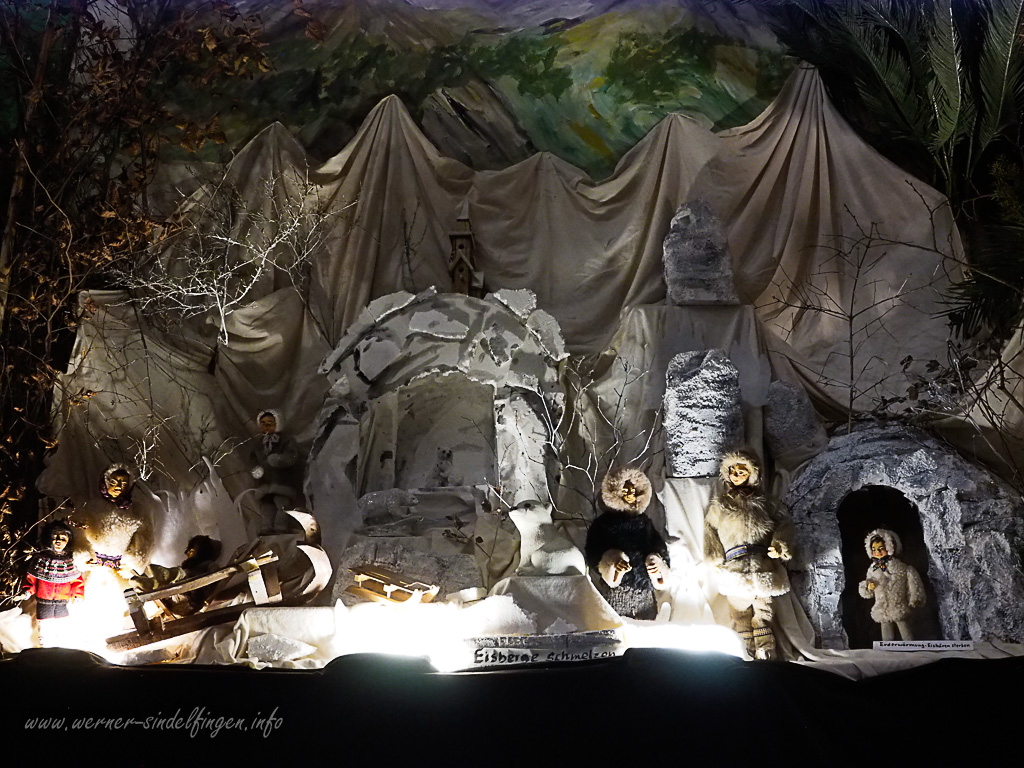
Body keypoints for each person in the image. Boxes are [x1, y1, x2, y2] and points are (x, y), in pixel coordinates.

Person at [704, 450, 792, 659]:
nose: (736, 475)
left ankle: (765, 649)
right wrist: (714, 556)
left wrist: (780, 544)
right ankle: (745, 650)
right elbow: (709, 529)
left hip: (762, 564)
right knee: (740, 612)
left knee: (764, 611)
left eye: (742, 471)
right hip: (735, 566)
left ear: (753, 473)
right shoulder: (721, 505)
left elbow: (785, 522)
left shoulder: (766, 502)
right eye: (732, 471)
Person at [585, 467, 670, 620]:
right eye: (626, 491)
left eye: (633, 490)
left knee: (647, 628)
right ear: (615, 492)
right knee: (614, 625)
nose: (630, 495)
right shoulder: (603, 524)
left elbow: (659, 547)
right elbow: (593, 553)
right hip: (616, 592)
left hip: (645, 593)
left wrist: (656, 563)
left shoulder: (645, 523)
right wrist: (612, 561)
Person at [19, 520, 85, 646]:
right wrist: (27, 591)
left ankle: (61, 643)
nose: (59, 541)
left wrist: (77, 596)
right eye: (55, 537)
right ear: (48, 538)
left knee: (62, 622)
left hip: (62, 601)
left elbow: (77, 581)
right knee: (45, 623)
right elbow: (31, 579)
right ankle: (46, 644)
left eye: (63, 538)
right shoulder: (41, 560)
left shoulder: (71, 561)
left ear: (68, 540)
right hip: (44, 601)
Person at [858, 528, 925, 641]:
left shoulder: (901, 568)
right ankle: (887, 648)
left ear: (889, 547)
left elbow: (912, 580)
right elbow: (867, 586)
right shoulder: (873, 569)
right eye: (874, 549)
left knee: (905, 630)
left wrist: (915, 597)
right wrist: (868, 587)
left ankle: (912, 647)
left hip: (898, 604)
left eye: (881, 548)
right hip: (882, 606)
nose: (877, 552)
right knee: (886, 631)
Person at [249, 409, 301, 533]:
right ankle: (266, 527)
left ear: (278, 423)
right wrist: (255, 469)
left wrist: (279, 459)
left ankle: (281, 527)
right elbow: (252, 459)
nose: (266, 426)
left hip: (281, 480)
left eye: (270, 423)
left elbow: (292, 456)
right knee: (267, 507)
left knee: (282, 505)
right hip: (264, 482)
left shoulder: (286, 441)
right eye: (263, 423)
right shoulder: (258, 444)